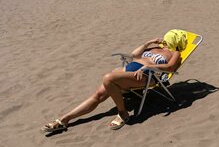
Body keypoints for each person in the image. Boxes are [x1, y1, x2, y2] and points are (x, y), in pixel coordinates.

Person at [41, 33, 186, 132]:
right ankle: (64, 119)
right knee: (98, 95)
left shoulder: (175, 54)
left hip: (146, 76)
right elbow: (134, 55)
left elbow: (170, 68)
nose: (166, 39)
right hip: (129, 70)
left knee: (108, 78)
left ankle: (123, 113)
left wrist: (149, 66)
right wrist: (148, 43)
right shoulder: (155, 47)